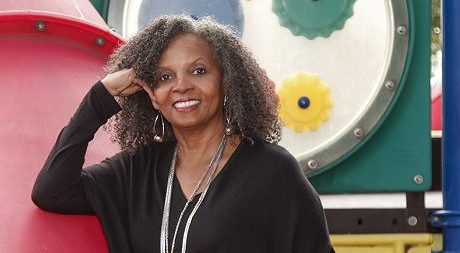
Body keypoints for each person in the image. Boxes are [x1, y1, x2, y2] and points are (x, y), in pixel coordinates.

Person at [32, 15, 334, 253]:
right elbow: (52, 191)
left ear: (227, 81)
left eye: (198, 71)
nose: (181, 86)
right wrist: (100, 98)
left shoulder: (271, 171)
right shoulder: (137, 169)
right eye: (165, 77)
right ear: (151, 93)